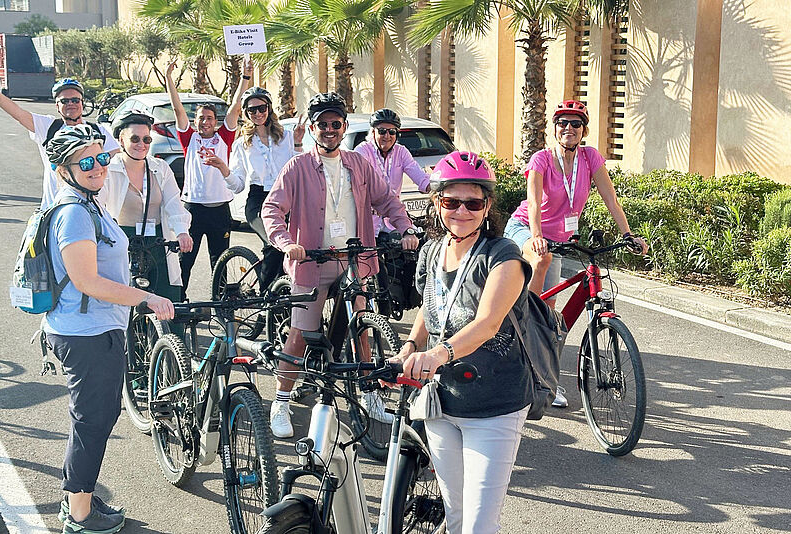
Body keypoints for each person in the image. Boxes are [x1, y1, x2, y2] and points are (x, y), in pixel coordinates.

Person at [261, 92, 418, 438]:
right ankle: (282, 401)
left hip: (354, 259)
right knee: (301, 332)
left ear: (345, 127)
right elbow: (271, 210)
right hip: (312, 261)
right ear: (312, 128)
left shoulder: (359, 164)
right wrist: (287, 243)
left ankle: (370, 395)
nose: (330, 129)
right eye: (323, 124)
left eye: (336, 124)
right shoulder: (297, 167)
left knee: (361, 326)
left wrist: (405, 227)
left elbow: (387, 200)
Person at [392, 151, 534, 534]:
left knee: (478, 525)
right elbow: (430, 304)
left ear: (487, 206)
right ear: (437, 202)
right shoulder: (432, 251)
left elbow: (488, 322)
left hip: (495, 405)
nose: (462, 211)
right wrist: (410, 345)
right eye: (451, 201)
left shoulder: (503, 256)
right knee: (454, 517)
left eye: (473, 202)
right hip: (443, 400)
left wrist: (438, 353)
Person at [42, 124, 173, 534]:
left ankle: (76, 496)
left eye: (101, 157)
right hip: (86, 333)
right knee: (94, 419)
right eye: (86, 161)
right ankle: (80, 515)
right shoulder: (74, 213)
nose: (98, 167)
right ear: (64, 169)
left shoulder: (89, 204)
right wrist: (145, 298)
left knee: (93, 416)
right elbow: (87, 282)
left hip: (94, 327)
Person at [505, 100, 648, 407]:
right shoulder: (541, 159)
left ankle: (547, 379)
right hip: (526, 230)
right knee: (540, 264)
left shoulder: (590, 157)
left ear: (583, 130)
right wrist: (537, 236)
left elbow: (610, 197)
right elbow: (532, 202)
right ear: (555, 129)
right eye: (562, 123)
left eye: (575, 124)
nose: (568, 128)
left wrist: (628, 234)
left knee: (553, 318)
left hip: (560, 238)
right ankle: (523, 316)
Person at [98, 111, 193, 334]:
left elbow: (173, 202)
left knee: (168, 303)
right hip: (123, 242)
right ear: (121, 140)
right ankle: (132, 360)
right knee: (128, 306)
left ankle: (170, 360)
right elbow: (99, 208)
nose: (142, 144)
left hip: (159, 242)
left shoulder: (160, 168)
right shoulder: (109, 170)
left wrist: (181, 232)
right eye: (135, 139)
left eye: (147, 139)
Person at [164, 60, 250, 297]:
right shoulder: (188, 139)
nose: (205, 121)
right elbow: (177, 109)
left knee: (220, 262)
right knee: (185, 260)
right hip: (193, 210)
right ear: (195, 121)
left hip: (219, 210)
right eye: (201, 118)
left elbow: (235, 106)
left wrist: (245, 78)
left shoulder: (225, 137)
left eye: (210, 117)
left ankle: (221, 306)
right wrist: (169, 79)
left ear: (216, 121)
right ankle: (179, 302)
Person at [0, 78, 120, 210]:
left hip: (94, 208)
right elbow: (18, 113)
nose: (71, 104)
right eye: (64, 101)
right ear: (57, 106)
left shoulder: (99, 130)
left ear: (82, 103)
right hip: (56, 207)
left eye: (75, 100)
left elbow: (117, 158)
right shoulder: (48, 127)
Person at [229, 86, 305, 290]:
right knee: (276, 243)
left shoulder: (288, 136)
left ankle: (281, 296)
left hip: (286, 199)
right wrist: (222, 169)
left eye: (262, 108)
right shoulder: (241, 145)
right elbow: (237, 185)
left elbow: (298, 170)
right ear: (245, 113)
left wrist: (298, 143)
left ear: (269, 108)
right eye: (252, 110)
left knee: (292, 247)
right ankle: (266, 301)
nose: (258, 113)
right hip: (258, 202)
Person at [354, 108, 430, 235]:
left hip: (394, 219)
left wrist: (438, 188)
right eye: (382, 131)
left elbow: (420, 176)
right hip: (368, 221)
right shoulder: (362, 151)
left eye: (392, 132)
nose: (387, 136)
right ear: (373, 132)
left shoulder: (401, 152)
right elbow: (361, 182)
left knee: (413, 244)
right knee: (367, 254)